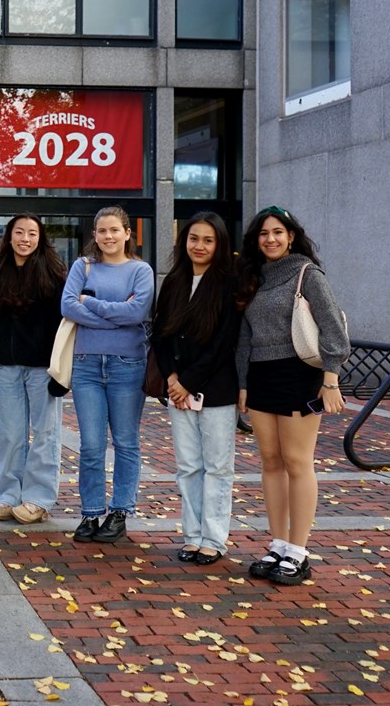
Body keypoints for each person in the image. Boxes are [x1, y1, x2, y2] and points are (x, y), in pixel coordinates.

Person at [236, 206, 348, 585]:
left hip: (301, 375)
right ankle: (279, 544)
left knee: (298, 461)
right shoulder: (254, 277)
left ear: (292, 236)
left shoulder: (306, 273)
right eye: (264, 233)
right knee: (270, 460)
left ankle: (299, 552)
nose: (270, 239)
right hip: (262, 377)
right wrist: (243, 383)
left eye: (278, 232)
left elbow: (334, 329)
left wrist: (330, 381)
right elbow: (245, 336)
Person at [62, 205, 154, 544]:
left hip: (128, 365)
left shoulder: (141, 270)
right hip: (86, 365)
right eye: (102, 231)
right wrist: (115, 316)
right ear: (95, 236)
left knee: (126, 442)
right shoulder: (82, 266)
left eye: (115, 230)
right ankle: (90, 513)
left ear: (127, 233)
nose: (108, 237)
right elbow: (68, 305)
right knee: (91, 445)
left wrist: (93, 304)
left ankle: (119, 512)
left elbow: (138, 312)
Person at [151, 213, 239, 564]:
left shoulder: (229, 284)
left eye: (207, 240)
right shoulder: (174, 280)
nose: (199, 246)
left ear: (219, 245)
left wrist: (188, 382)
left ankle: (213, 539)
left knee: (217, 467)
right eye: (193, 239)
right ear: (184, 241)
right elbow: (160, 333)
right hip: (178, 391)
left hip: (215, 390)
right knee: (188, 466)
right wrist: (172, 378)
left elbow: (224, 343)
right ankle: (192, 535)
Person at [0, 214, 67, 525]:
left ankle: (38, 499)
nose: (25, 239)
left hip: (43, 368)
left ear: (41, 238)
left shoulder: (54, 275)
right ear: (9, 236)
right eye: (19, 232)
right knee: (10, 435)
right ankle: (9, 496)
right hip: (9, 367)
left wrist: (61, 371)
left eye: (32, 233)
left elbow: (64, 324)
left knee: (45, 433)